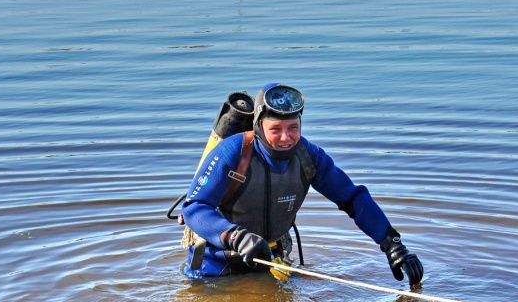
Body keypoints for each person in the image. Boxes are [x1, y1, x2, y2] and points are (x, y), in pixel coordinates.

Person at [180, 82, 424, 287]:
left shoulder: (309, 157)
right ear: (258, 127)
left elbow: (352, 198)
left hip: (272, 264)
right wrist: (236, 236)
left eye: (293, 128)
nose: (286, 138)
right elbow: (194, 208)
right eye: (276, 129)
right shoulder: (233, 152)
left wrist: (392, 244)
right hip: (216, 268)